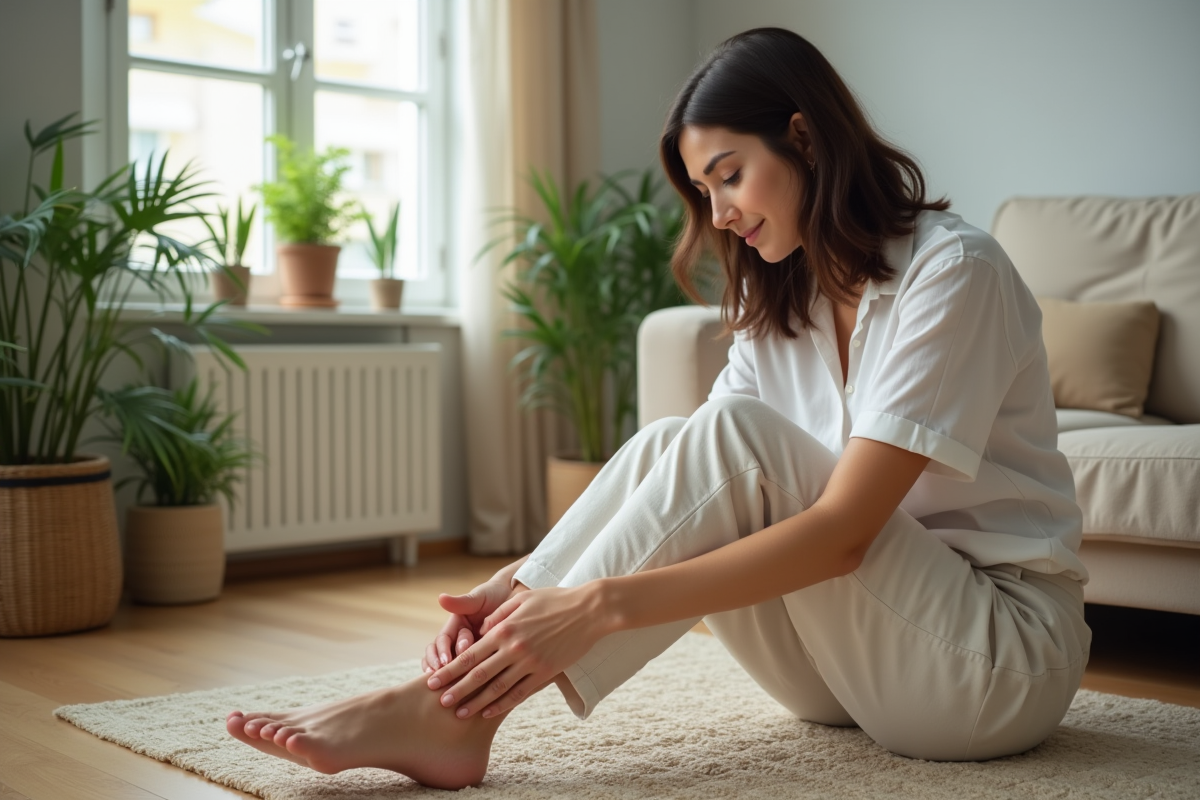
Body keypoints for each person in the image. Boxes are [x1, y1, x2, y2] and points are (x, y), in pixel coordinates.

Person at [226, 27, 1092, 789]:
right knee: (683, 437)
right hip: (844, 675)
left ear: (805, 138)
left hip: (993, 664)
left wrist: (599, 604)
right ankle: (460, 691)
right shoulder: (784, 303)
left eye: (730, 176)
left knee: (739, 439)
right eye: (702, 191)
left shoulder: (952, 272)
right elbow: (687, 471)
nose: (720, 215)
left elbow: (845, 534)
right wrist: (523, 581)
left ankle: (450, 713)